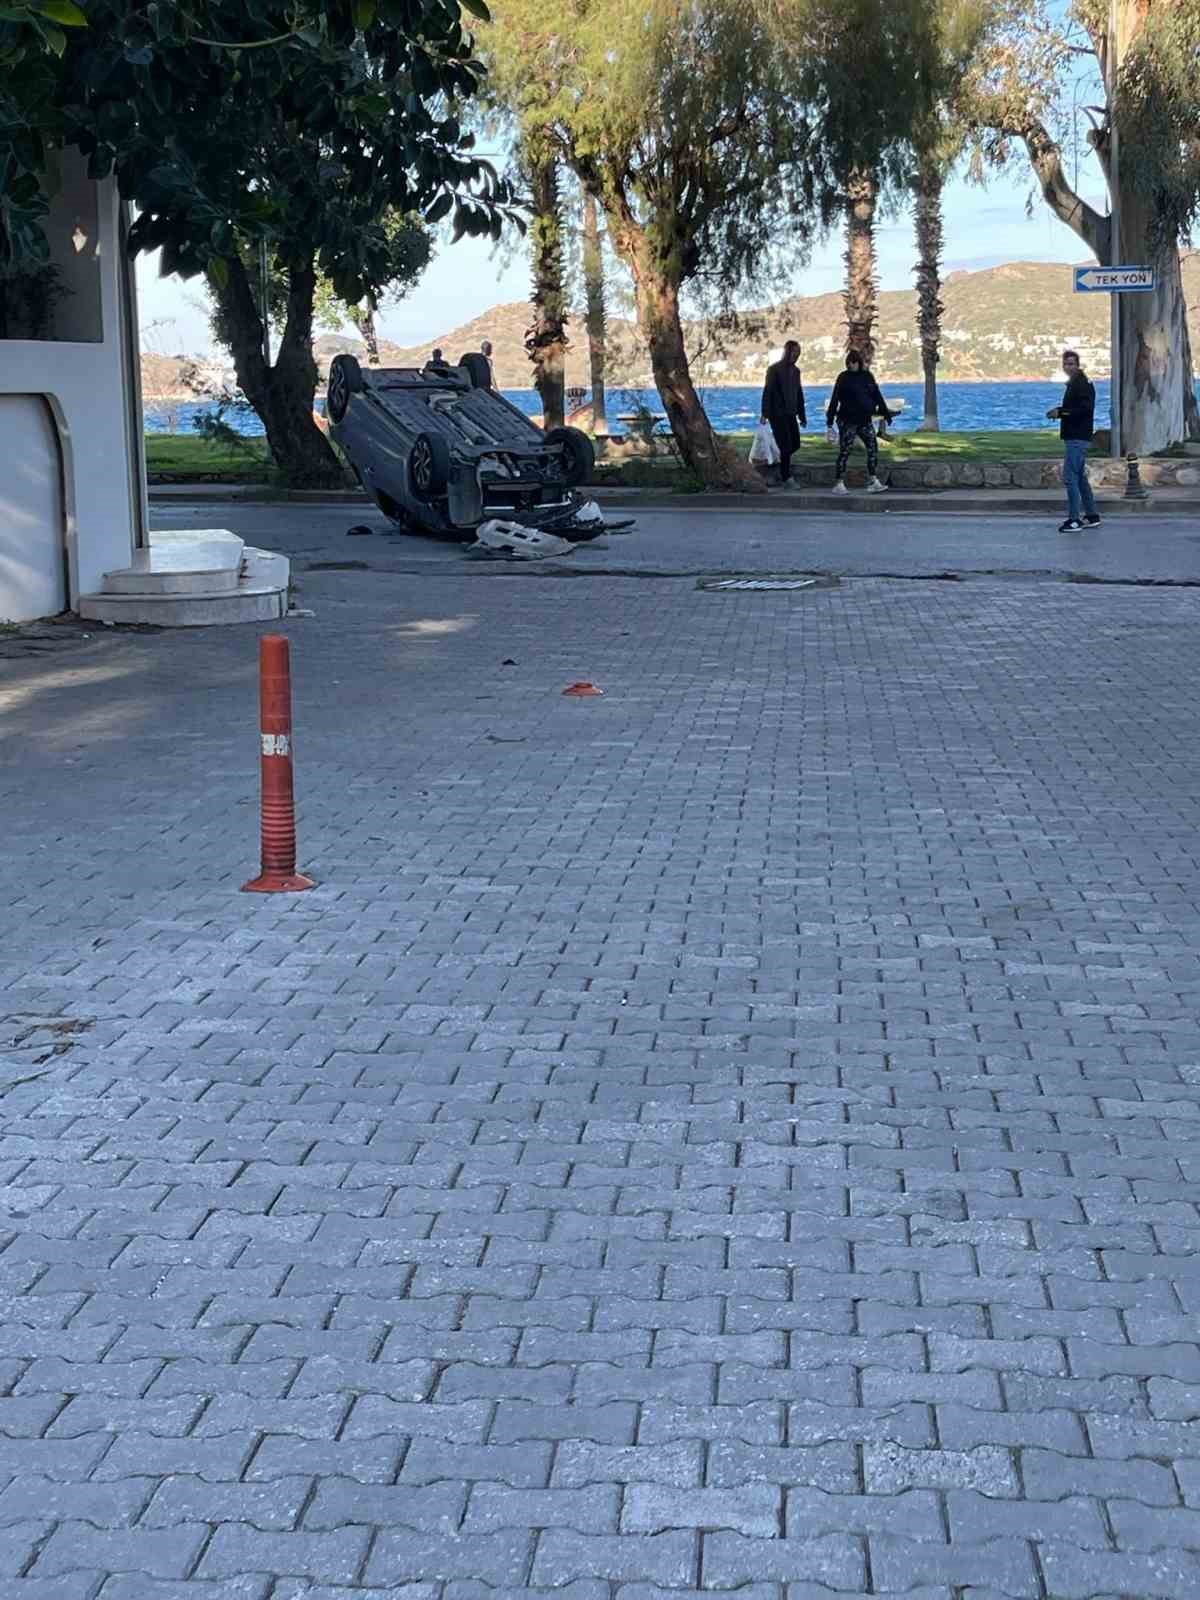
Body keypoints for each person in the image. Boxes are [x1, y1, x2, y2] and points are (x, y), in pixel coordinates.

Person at [825, 349, 894, 495]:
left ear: (858, 363)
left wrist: (885, 413)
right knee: (845, 450)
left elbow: (877, 395)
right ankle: (839, 484)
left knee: (872, 448)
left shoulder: (867, 377)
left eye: (853, 363)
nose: (850, 365)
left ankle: (873, 480)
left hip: (864, 420)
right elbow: (835, 398)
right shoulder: (843, 377)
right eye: (848, 363)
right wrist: (830, 421)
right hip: (847, 420)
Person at [1046, 349, 1100, 532]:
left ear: (1077, 365)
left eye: (1071, 364)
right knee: (1080, 478)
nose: (1068, 367)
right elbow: (1075, 407)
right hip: (1075, 435)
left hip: (1078, 436)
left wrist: (1061, 412)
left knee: (1070, 478)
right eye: (1065, 364)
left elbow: (1085, 410)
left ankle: (1074, 520)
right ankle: (1092, 515)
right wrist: (1059, 411)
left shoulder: (1082, 384)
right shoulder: (1075, 383)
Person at [759, 339, 807, 484]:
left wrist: (802, 415)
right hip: (777, 413)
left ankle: (781, 462)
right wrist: (765, 413)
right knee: (786, 445)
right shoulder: (774, 370)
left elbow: (799, 393)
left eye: (798, 352)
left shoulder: (796, 371)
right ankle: (786, 477)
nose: (796, 355)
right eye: (794, 352)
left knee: (795, 444)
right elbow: (768, 391)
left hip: (791, 413)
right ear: (787, 352)